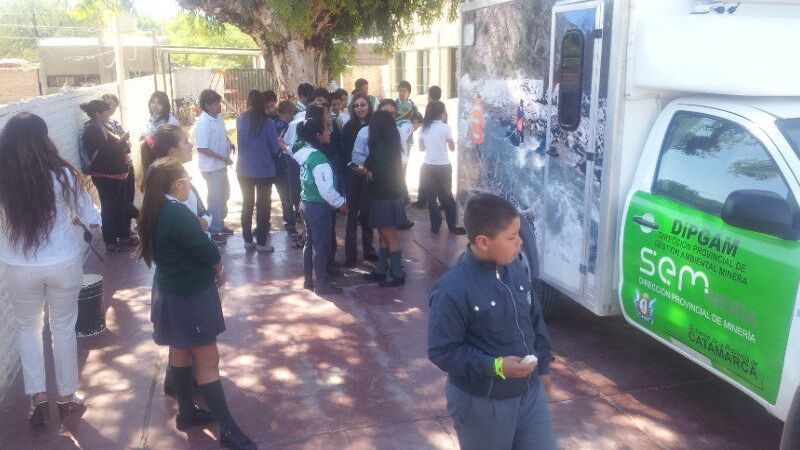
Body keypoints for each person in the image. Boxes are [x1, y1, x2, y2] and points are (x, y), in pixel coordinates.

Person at [138, 158, 256, 449]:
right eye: (187, 181)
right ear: (177, 184)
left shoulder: (154, 209)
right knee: (207, 360)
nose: (190, 185)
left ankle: (187, 412)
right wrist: (219, 269)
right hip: (189, 294)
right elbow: (204, 247)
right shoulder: (176, 212)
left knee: (180, 350)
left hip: (171, 290)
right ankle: (228, 430)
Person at [427, 193, 556, 450]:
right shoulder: (453, 289)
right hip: (483, 403)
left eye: (519, 233)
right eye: (511, 237)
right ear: (483, 242)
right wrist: (495, 367)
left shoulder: (516, 266)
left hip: (529, 395)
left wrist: (543, 365)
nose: (520, 242)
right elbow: (442, 351)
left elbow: (534, 318)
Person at [0, 112, 101, 427]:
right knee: (62, 329)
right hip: (63, 263)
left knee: (27, 328)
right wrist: (83, 222)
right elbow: (93, 218)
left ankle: (37, 399)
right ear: (45, 138)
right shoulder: (64, 175)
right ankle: (68, 397)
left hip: (19, 265)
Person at [139, 123, 210, 397]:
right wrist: (202, 225)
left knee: (181, 332)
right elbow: (192, 227)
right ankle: (184, 382)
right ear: (171, 150)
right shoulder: (176, 191)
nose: (190, 145)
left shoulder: (166, 183)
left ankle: (180, 377)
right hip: (186, 274)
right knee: (188, 330)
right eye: (185, 142)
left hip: (175, 272)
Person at [293, 118, 348, 295]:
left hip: (305, 203)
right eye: (326, 130)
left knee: (310, 242)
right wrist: (341, 203)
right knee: (321, 246)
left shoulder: (304, 152)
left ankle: (308, 279)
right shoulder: (319, 158)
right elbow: (326, 189)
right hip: (318, 206)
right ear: (318, 135)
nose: (328, 133)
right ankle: (322, 284)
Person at [80, 99, 139, 251]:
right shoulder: (92, 130)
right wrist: (123, 143)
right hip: (105, 176)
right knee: (109, 208)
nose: (109, 113)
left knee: (118, 206)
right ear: (97, 114)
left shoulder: (102, 126)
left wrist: (122, 144)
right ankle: (110, 241)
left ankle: (124, 236)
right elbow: (109, 150)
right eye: (106, 111)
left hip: (114, 175)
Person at [358, 111, 407, 286]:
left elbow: (378, 174)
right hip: (390, 195)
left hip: (385, 196)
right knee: (383, 235)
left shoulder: (381, 147)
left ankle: (397, 274)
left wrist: (365, 171)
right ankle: (380, 269)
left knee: (390, 236)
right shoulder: (390, 144)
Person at [236, 90, 280, 252]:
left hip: (243, 170)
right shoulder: (268, 122)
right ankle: (262, 243)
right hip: (264, 170)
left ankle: (248, 240)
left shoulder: (240, 120)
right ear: (262, 103)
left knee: (247, 203)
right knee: (263, 206)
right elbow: (275, 148)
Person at [419, 101, 466, 235]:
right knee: (447, 196)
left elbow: (421, 148)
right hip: (444, 166)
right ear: (441, 114)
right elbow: (452, 148)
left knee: (431, 197)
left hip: (428, 166)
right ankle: (453, 226)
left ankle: (435, 224)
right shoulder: (446, 128)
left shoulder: (424, 128)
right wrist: (449, 143)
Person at [341, 93, 377, 267]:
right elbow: (345, 152)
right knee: (352, 214)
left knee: (367, 213)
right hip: (353, 174)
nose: (360, 108)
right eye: (356, 105)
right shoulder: (348, 127)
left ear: (369, 106)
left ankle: (369, 251)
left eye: (363, 104)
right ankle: (350, 254)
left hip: (369, 175)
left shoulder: (376, 126)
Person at [195, 89, 233, 243]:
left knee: (225, 194)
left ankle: (220, 223)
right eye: (216, 103)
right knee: (215, 198)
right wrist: (221, 157)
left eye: (219, 102)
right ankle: (214, 230)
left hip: (221, 165)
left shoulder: (218, 118)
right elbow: (202, 148)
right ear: (207, 105)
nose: (219, 106)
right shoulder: (203, 122)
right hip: (211, 167)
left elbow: (223, 136)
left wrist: (229, 144)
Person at [102, 93, 137, 239]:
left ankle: (127, 228)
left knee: (128, 198)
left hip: (126, 166)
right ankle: (120, 233)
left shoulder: (115, 123)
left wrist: (123, 144)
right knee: (116, 204)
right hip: (112, 172)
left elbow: (127, 143)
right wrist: (121, 144)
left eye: (114, 106)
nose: (111, 108)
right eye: (108, 104)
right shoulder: (97, 127)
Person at [274, 100, 301, 237]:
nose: (282, 117)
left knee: (288, 194)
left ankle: (292, 221)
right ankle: (292, 221)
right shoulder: (289, 123)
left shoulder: (288, 124)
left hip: (286, 162)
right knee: (290, 194)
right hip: (288, 162)